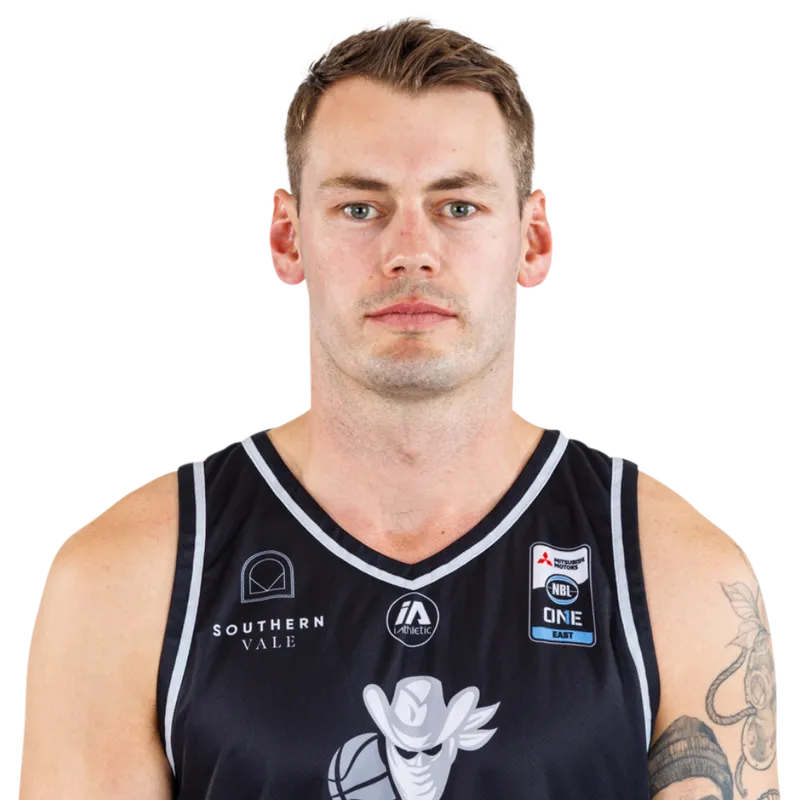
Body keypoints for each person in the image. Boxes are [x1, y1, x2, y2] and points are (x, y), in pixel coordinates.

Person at [19, 14, 779, 800]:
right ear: (285, 238)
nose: (410, 250)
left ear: (534, 240)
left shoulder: (676, 574)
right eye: (360, 207)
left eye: (458, 206)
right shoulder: (124, 578)